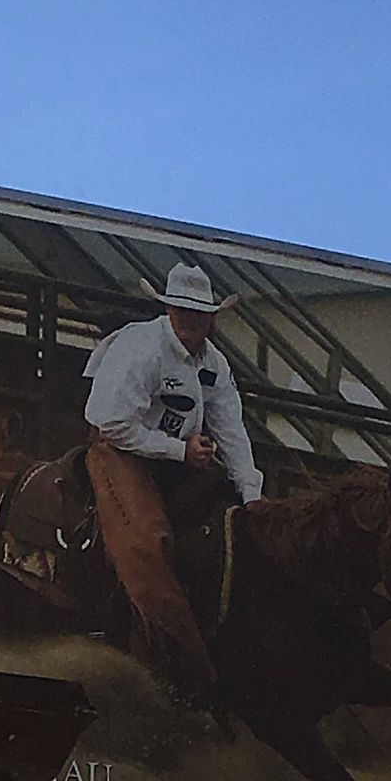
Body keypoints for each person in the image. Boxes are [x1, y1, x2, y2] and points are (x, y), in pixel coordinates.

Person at [81, 258, 264, 701]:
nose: (190, 319)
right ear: (168, 309)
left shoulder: (215, 365)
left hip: (173, 456)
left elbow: (231, 430)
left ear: (210, 317)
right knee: (148, 542)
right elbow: (112, 424)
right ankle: (169, 657)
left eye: (198, 312)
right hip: (118, 450)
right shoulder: (142, 349)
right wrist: (181, 451)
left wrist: (253, 495)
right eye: (182, 309)